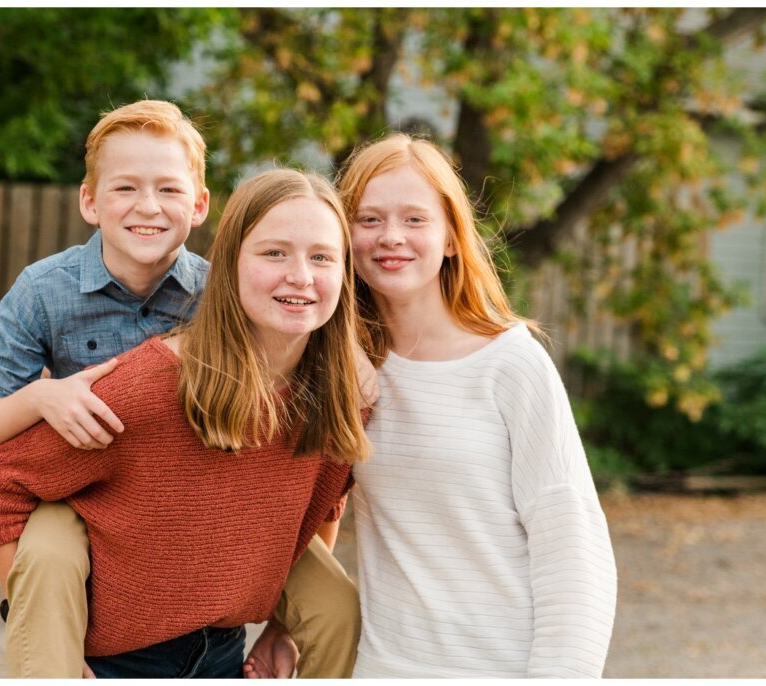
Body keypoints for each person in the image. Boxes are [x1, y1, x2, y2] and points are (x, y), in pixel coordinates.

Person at [0, 100, 362, 677]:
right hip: (75, 481)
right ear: (89, 200)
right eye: (126, 188)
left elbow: (317, 466)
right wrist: (43, 397)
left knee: (335, 604)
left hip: (201, 486)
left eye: (169, 190)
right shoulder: (45, 291)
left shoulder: (220, 292)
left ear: (199, 206)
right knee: (48, 558)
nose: (148, 207)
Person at [245, 133, 617, 678]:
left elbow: (574, 553)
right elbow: (319, 501)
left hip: (503, 667)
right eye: (368, 219)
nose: (391, 237)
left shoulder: (511, 364)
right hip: (385, 666)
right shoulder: (342, 366)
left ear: (450, 238)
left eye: (414, 219)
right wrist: (285, 623)